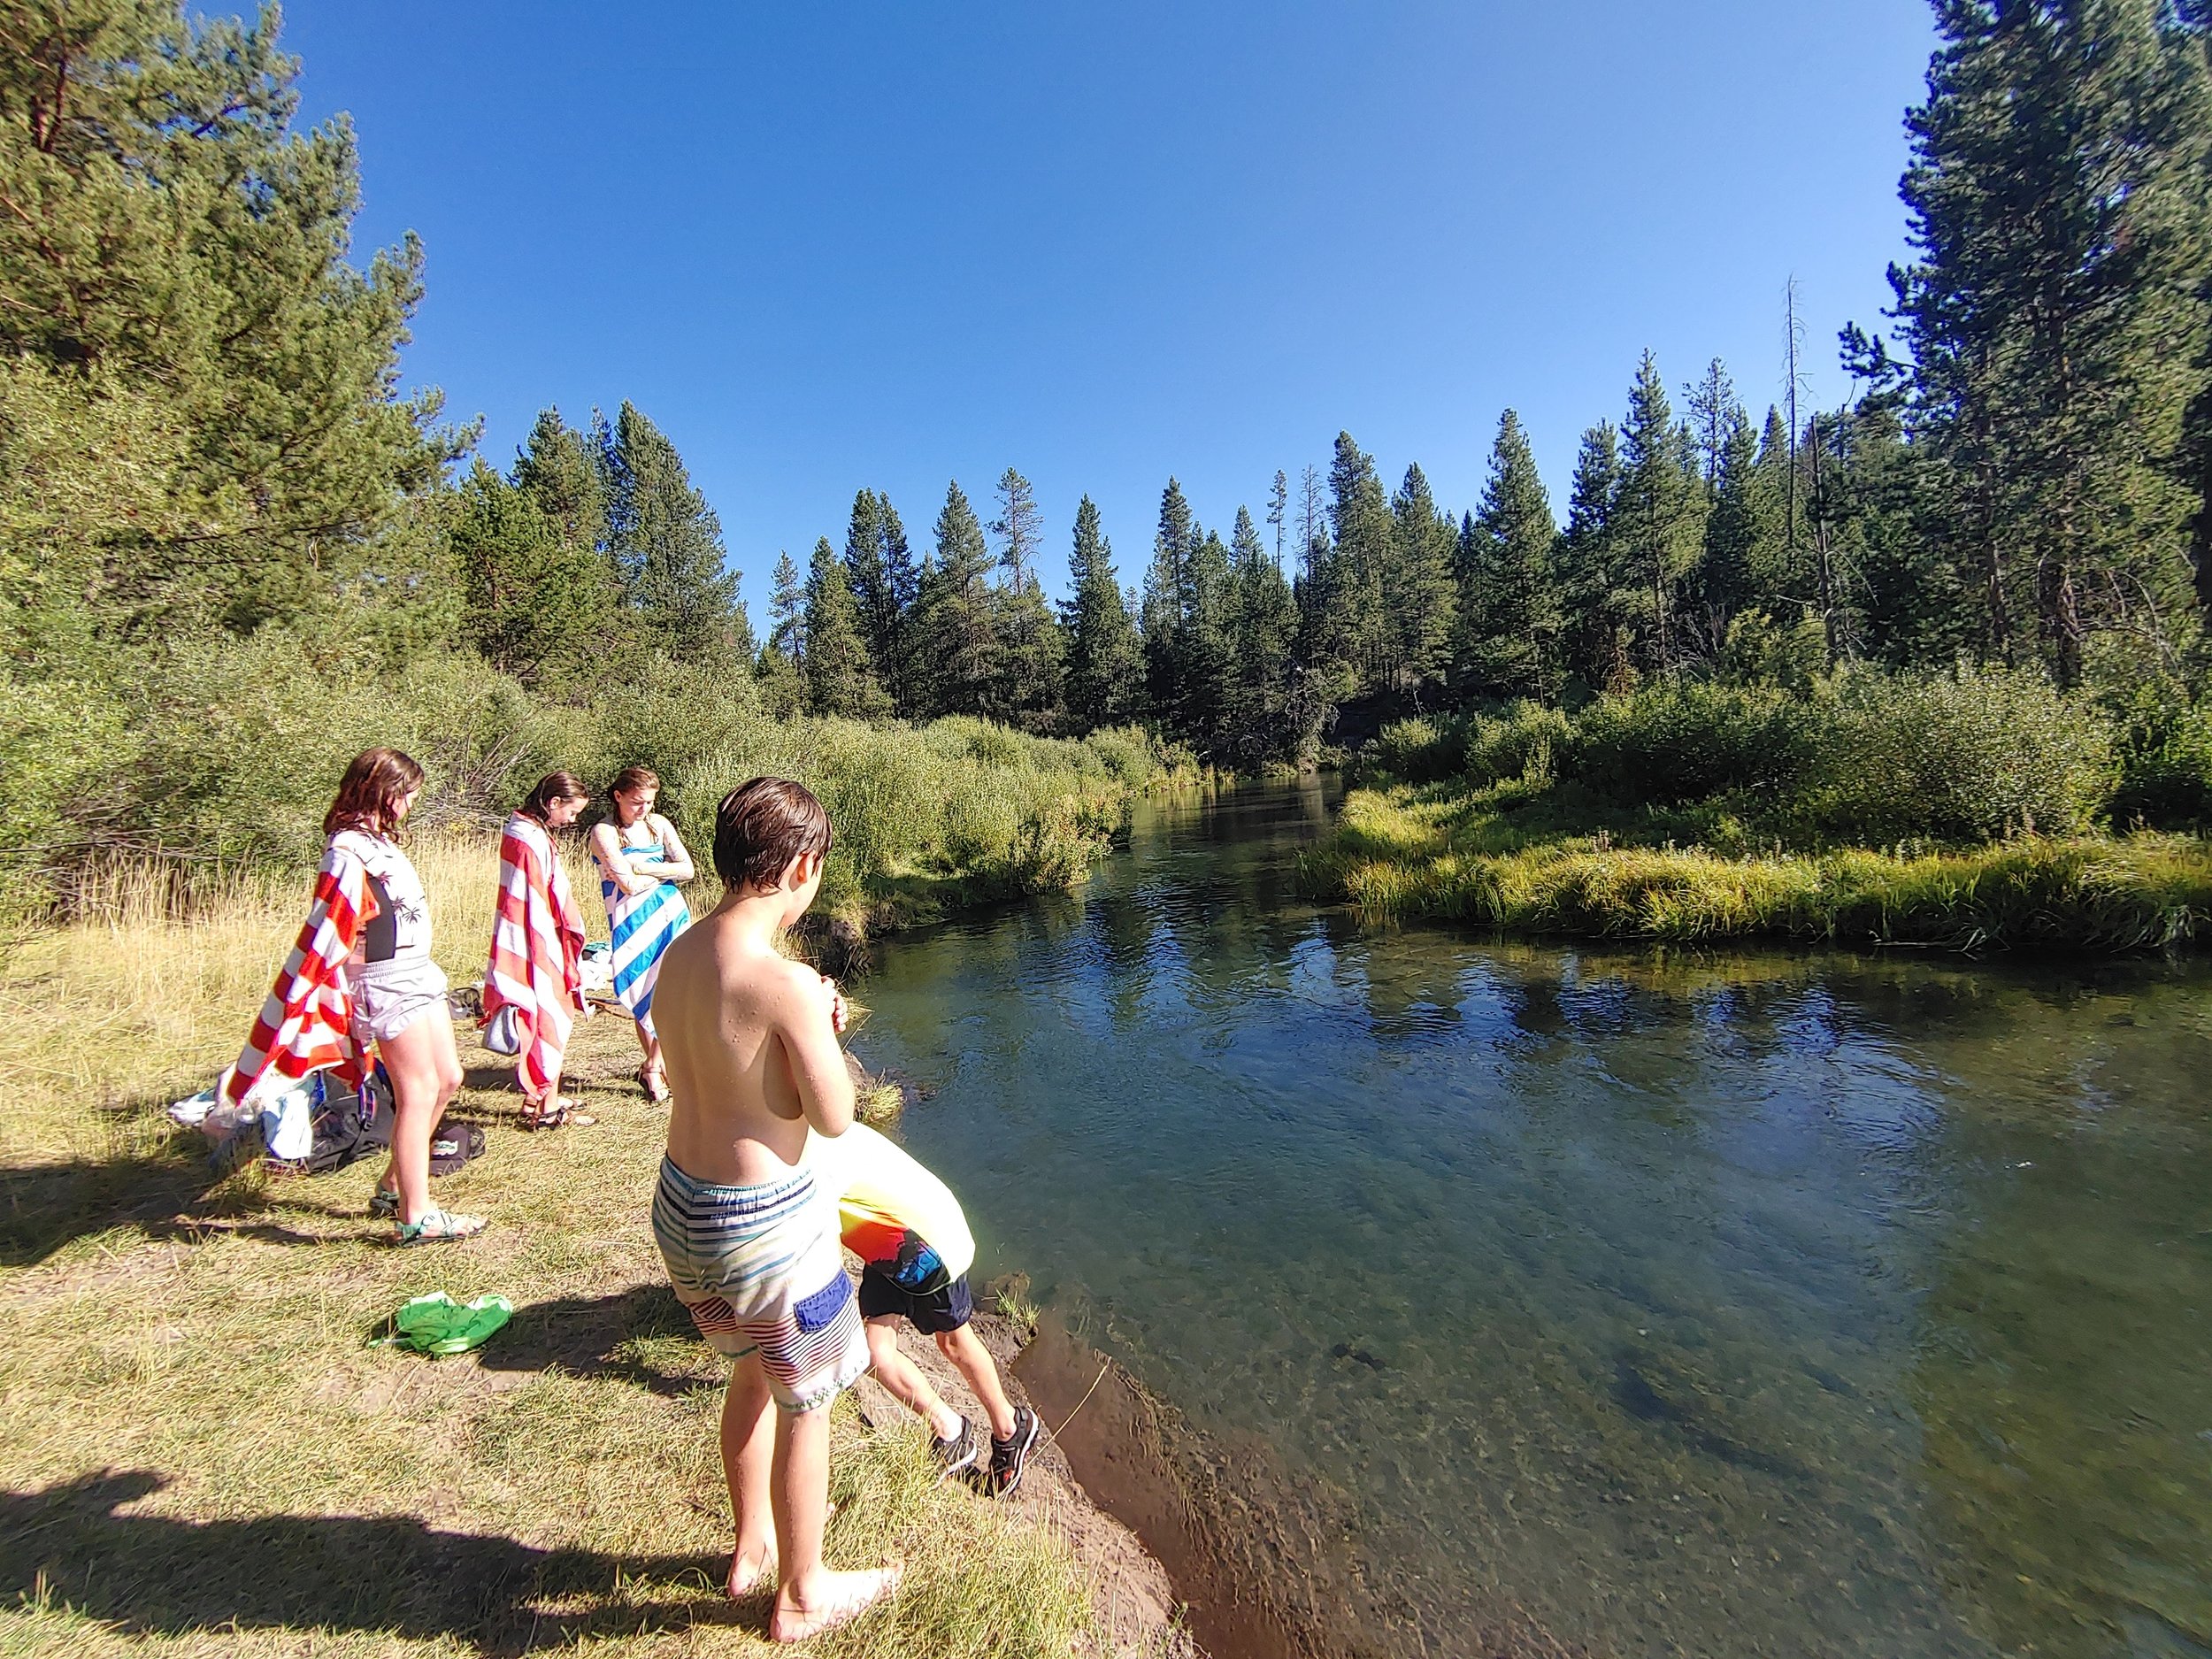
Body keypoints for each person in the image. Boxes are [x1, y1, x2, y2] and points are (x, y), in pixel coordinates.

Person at [650, 777, 898, 1641]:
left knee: (753, 1368)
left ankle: (751, 1541)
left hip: (683, 1210)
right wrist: (821, 1028)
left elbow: (709, 1076)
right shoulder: (784, 982)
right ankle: (801, 1594)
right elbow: (830, 1115)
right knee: (809, 1403)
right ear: (801, 866)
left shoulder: (679, 953)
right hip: (767, 1228)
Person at [220, 748, 478, 1244]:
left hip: (417, 973)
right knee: (417, 1091)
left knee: (448, 1078)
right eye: (405, 794)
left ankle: (394, 1186)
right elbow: (332, 923)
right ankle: (416, 1217)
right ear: (381, 791)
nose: (410, 803)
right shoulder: (345, 849)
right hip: (382, 981)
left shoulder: (376, 840)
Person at [810, 1121, 1043, 1498]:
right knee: (875, 1352)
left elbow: (816, 1256)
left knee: (953, 1342)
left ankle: (1010, 1427)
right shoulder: (818, 1122)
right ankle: (951, 1430)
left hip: (929, 1245)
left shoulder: (804, 1163)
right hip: (888, 1239)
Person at [485, 772, 596, 1130]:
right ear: (553, 804)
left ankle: (544, 1096)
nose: (573, 820)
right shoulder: (527, 839)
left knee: (550, 1015)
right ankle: (544, 1107)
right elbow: (530, 901)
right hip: (535, 940)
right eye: (571, 812)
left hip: (539, 935)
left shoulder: (526, 832)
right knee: (547, 1016)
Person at [589, 765, 695, 1102]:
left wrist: (643, 866)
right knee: (642, 986)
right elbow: (627, 885)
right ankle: (655, 1064)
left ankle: (654, 1064)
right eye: (637, 802)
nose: (644, 809)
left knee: (675, 988)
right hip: (631, 918)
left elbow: (688, 870)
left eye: (649, 802)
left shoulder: (658, 824)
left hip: (669, 912)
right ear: (618, 796)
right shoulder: (604, 832)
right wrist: (660, 874)